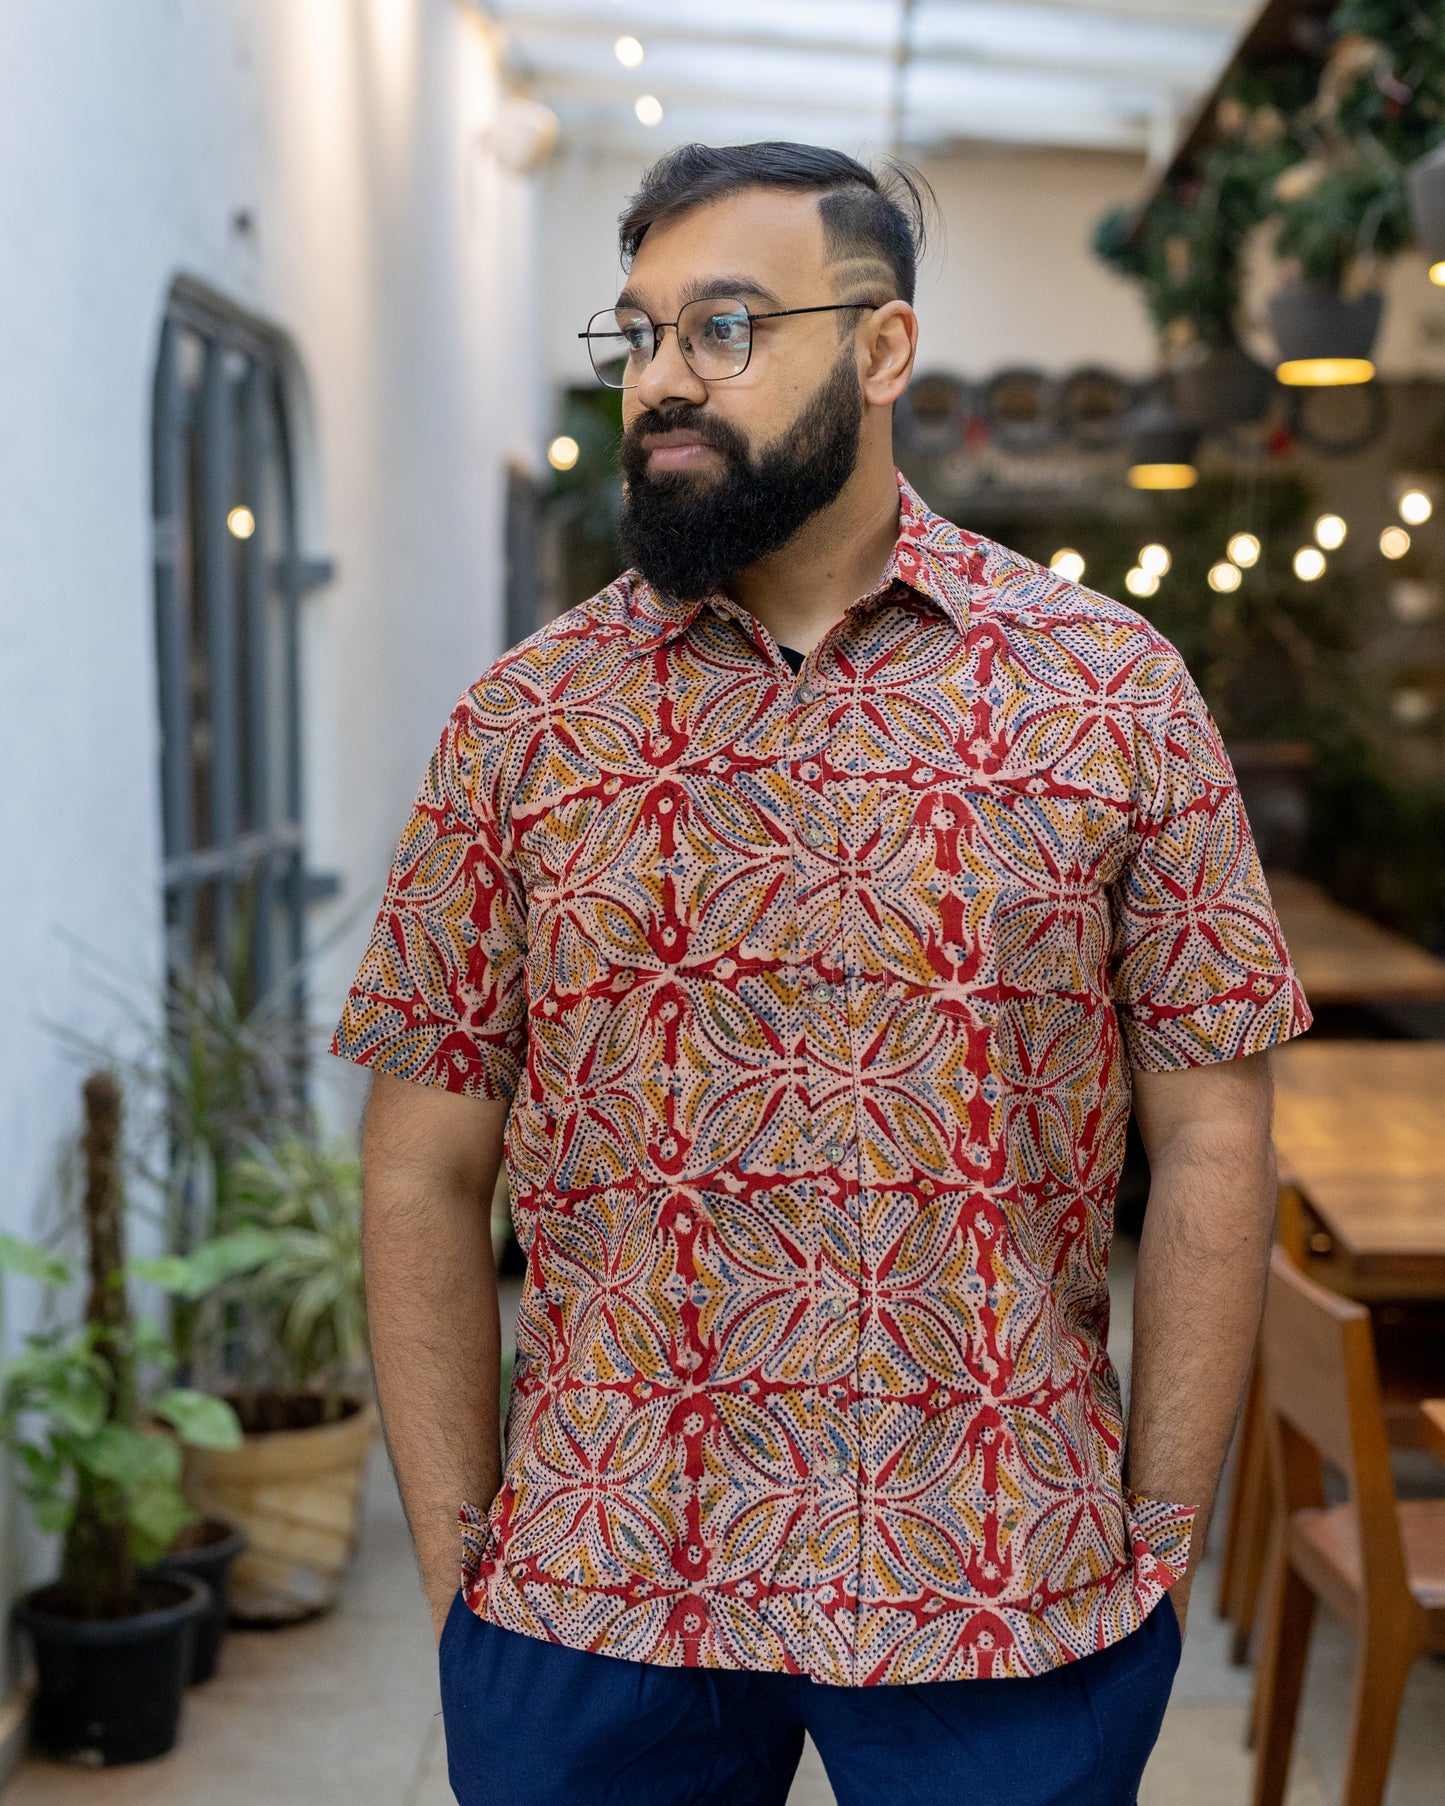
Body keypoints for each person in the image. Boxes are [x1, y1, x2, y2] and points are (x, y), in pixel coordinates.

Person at [334, 141, 1310, 1806]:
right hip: (598, 1581)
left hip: (1002, 1572)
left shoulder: (1107, 693)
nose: (660, 382)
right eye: (636, 334)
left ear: (879, 348)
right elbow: (422, 1163)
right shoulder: (527, 719)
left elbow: (1213, 1133)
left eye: (722, 328)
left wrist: (1149, 1537)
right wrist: (461, 1574)